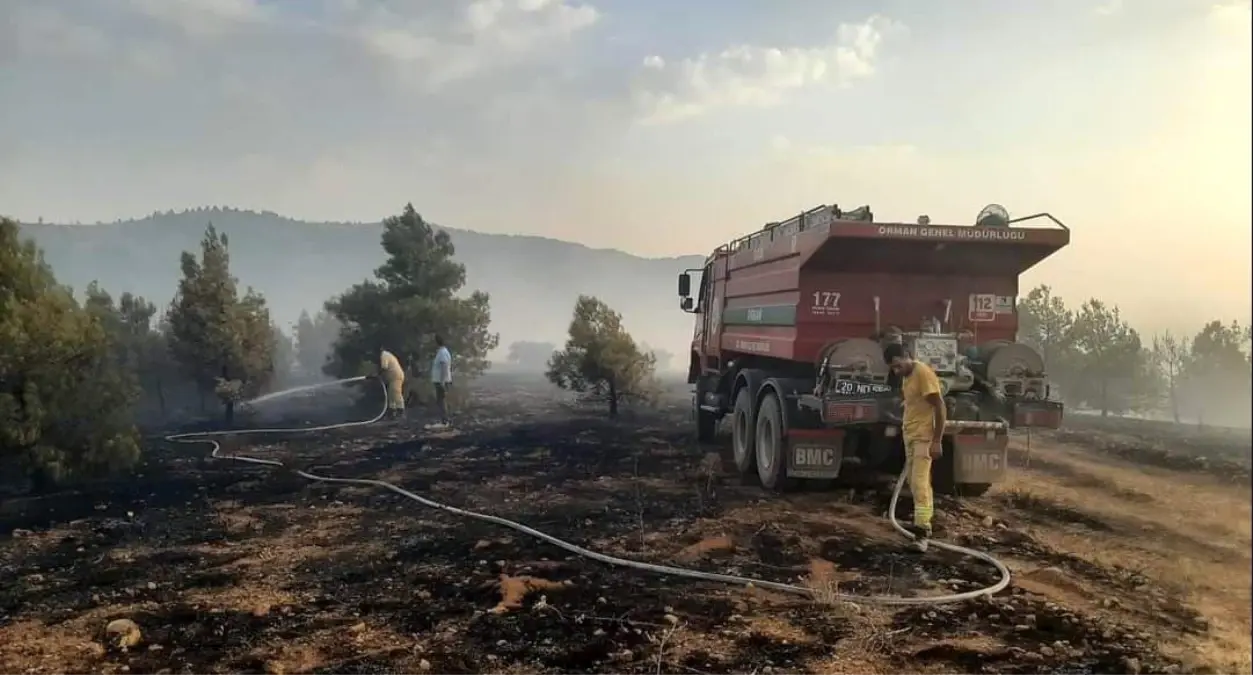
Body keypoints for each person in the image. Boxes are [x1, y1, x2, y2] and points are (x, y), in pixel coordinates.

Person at [883, 342, 947, 552]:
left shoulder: (923, 373)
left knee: (919, 482)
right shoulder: (908, 377)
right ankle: (921, 525)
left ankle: (922, 532)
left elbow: (939, 406)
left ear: (907, 355)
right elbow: (917, 401)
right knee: (913, 480)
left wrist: (937, 440)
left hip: (923, 437)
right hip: (911, 435)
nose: (896, 370)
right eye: (893, 368)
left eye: (897, 365)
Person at [428, 335, 453, 429]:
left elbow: (444, 366)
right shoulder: (441, 352)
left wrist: (442, 381)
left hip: (441, 381)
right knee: (440, 400)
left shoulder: (442, 353)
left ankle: (445, 421)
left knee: (441, 401)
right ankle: (443, 420)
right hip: (440, 380)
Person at [379, 348, 406, 420]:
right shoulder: (386, 354)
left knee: (396, 393)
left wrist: (377, 374)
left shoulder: (384, 355)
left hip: (396, 377)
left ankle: (401, 412)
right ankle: (391, 413)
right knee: (391, 395)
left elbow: (384, 367)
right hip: (392, 378)